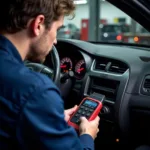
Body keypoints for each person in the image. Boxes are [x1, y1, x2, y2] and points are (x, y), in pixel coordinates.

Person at [0, 0, 100, 150]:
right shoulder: (36, 90)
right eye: (57, 30)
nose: (55, 41)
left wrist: (51, 117)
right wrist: (87, 135)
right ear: (38, 24)